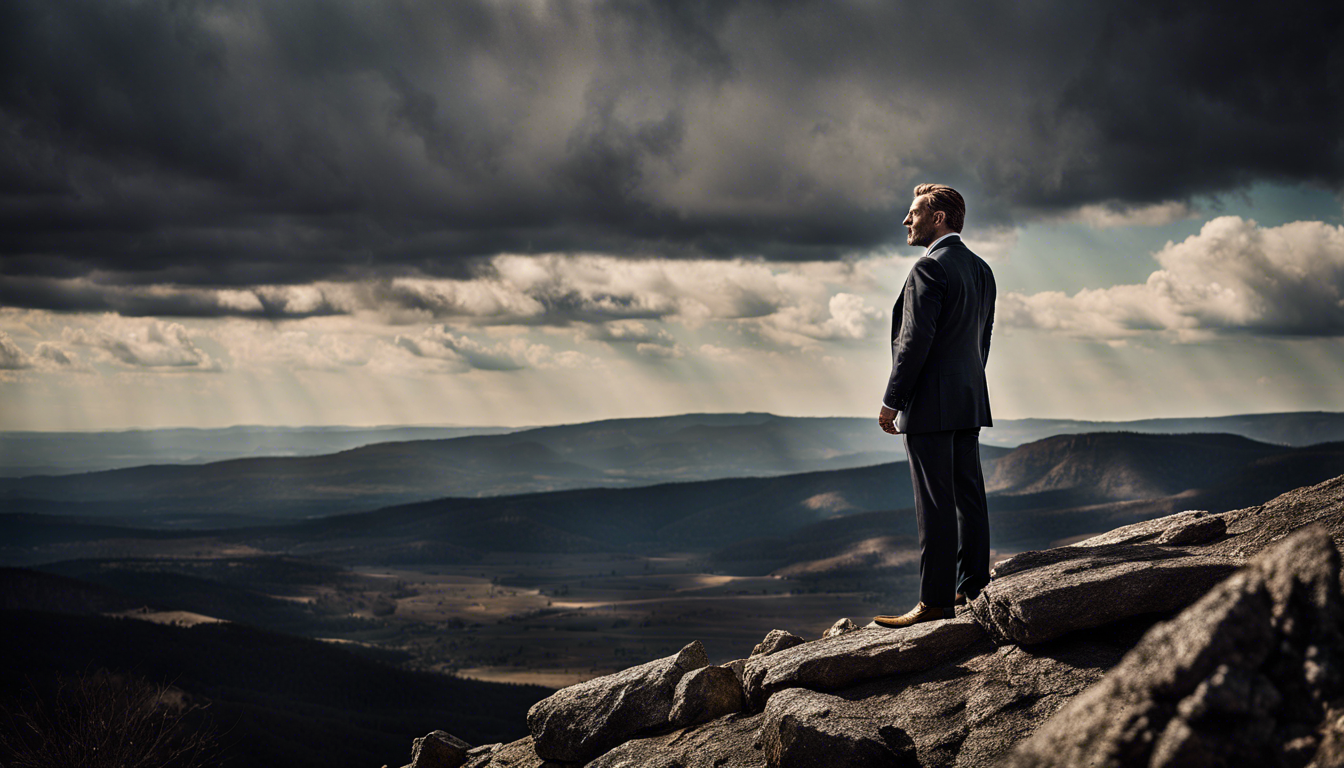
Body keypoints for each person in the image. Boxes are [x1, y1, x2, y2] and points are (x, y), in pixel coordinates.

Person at [873, 183, 996, 628]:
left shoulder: (929, 269)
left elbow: (913, 343)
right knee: (969, 495)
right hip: (968, 398)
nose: (906, 220)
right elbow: (982, 340)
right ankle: (973, 586)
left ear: (938, 218)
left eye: (913, 213)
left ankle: (936, 602)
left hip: (929, 404)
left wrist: (893, 401)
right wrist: (966, 385)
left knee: (934, 503)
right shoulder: (982, 270)